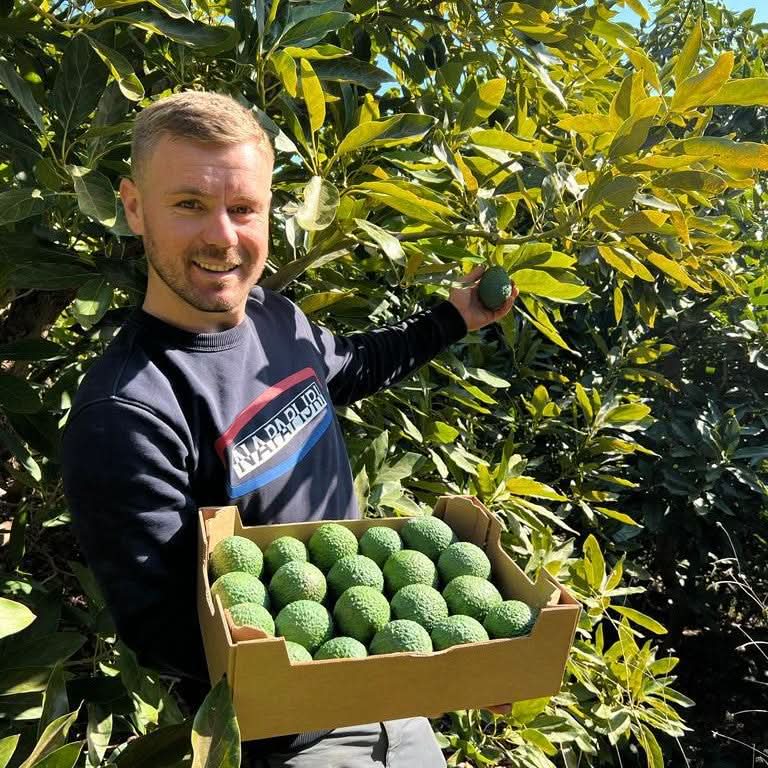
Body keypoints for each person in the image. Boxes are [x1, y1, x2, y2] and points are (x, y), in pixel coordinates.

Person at [60, 91, 517, 767]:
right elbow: (165, 634)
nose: (223, 235)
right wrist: (339, 668)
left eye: (243, 208)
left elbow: (351, 367)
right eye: (189, 204)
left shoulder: (276, 319)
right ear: (133, 206)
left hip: (392, 697)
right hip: (288, 741)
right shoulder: (127, 412)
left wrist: (451, 320)